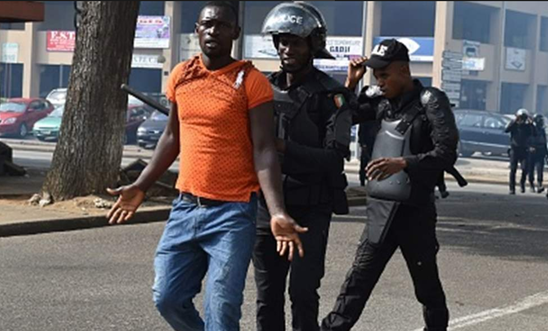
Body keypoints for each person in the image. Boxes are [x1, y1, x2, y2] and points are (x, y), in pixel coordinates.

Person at [106, 2, 307, 330]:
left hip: (233, 214)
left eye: (222, 25)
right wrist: (141, 185)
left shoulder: (250, 80)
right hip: (185, 208)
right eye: (207, 25)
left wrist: (276, 211)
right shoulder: (182, 75)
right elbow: (172, 138)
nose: (213, 31)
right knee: (166, 296)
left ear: (235, 33)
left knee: (222, 307)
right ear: (197, 30)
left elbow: (265, 149)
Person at [321, 39, 459, 331]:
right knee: (357, 280)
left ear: (404, 70)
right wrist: (350, 83)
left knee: (427, 287)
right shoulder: (380, 102)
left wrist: (404, 163)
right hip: (380, 210)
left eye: (385, 75)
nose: (379, 82)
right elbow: (341, 114)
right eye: (376, 76)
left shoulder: (430, 101)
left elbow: (447, 151)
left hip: (415, 212)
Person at [253, 2, 354, 331]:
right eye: (282, 41)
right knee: (268, 296)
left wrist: (283, 147)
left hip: (311, 207)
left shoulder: (331, 95)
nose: (287, 48)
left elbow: (334, 157)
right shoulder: (261, 89)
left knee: (303, 292)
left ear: (313, 44)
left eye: (296, 41)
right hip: (267, 205)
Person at [505, 108, 535, 194]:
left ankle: (522, 183)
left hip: (524, 150)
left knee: (525, 168)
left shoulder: (527, 127)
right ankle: (512, 188)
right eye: (521, 117)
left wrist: (531, 124)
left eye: (523, 118)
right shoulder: (514, 125)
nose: (522, 120)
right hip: (514, 149)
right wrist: (515, 121)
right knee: (513, 169)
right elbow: (506, 130)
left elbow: (534, 133)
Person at [528, 114, 547, 193]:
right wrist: (530, 147)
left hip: (540, 151)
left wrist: (546, 152)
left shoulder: (542, 130)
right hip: (532, 151)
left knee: (540, 169)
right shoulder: (531, 129)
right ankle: (531, 184)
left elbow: (544, 141)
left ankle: (539, 184)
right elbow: (527, 139)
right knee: (531, 168)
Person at [358, 121, 378, 186]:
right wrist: (362, 143)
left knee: (373, 162)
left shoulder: (377, 120)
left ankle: (370, 179)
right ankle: (362, 180)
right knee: (364, 162)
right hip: (367, 143)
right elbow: (361, 132)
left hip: (374, 143)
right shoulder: (365, 121)